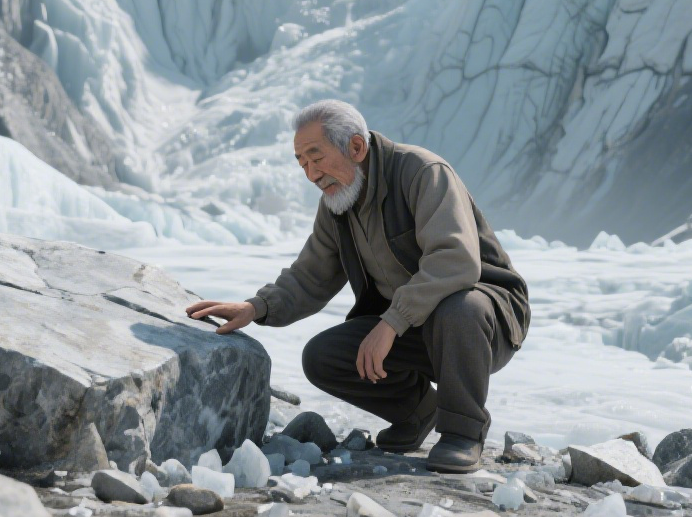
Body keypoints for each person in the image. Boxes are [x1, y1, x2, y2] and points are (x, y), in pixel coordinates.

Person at [185, 100, 530, 473]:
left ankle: (463, 433)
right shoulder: (337, 201)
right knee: (323, 357)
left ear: (356, 147)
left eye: (316, 158)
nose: (311, 174)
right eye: (302, 163)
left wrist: (392, 322)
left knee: (460, 307)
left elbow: (456, 261)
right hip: (414, 325)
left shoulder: (422, 172)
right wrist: (256, 307)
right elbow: (310, 274)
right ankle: (418, 413)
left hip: (484, 321)